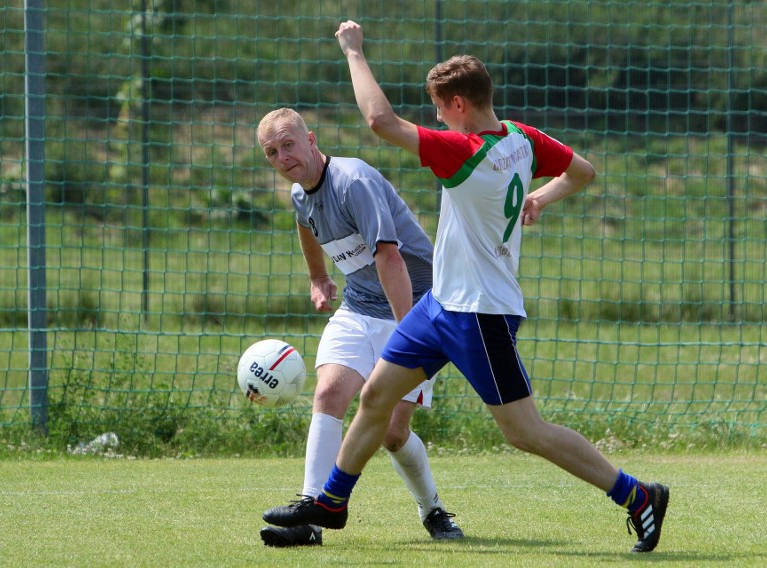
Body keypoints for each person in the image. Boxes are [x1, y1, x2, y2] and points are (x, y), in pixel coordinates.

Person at [264, 21, 672, 553]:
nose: (434, 116)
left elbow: (378, 120)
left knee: (526, 432)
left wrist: (354, 50)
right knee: (375, 396)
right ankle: (331, 501)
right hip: (440, 303)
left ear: (458, 104)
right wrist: (540, 199)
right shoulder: (521, 139)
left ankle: (638, 496)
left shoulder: (464, 152)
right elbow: (584, 171)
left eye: (437, 106)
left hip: (480, 313)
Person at [256, 108, 464, 547]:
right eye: (272, 152)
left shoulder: (354, 182)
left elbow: (389, 258)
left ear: (311, 139)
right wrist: (318, 276)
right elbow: (305, 223)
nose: (282, 156)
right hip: (359, 306)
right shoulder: (300, 193)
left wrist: (411, 333)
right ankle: (309, 517)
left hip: (413, 308)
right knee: (329, 394)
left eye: (288, 144)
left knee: (392, 433)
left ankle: (433, 511)